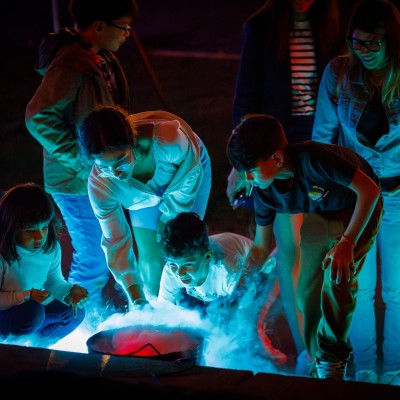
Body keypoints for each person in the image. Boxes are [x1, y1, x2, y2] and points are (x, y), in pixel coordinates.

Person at [226, 0, 346, 364]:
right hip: (276, 142)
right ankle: (304, 348)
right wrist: (243, 163)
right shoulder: (261, 26)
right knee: (289, 248)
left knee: (319, 245)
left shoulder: (332, 21)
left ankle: (329, 343)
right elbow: (246, 94)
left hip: (323, 141)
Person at [226, 113, 383, 380]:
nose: (248, 179)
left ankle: (332, 363)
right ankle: (315, 360)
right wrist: (240, 285)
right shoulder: (264, 191)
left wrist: (347, 243)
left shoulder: (314, 160)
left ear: (276, 158)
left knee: (337, 276)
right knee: (306, 294)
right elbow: (262, 247)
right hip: (322, 214)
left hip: (358, 207)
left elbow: (369, 191)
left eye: (251, 170)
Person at [25, 0, 138, 309]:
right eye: (123, 27)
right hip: (74, 182)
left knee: (101, 252)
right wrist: (80, 159)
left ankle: (85, 317)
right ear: (99, 26)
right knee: (92, 258)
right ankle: (71, 322)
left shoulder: (101, 59)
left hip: (94, 175)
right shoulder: (70, 63)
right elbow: (38, 116)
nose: (128, 34)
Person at [312, 0, 400, 385]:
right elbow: (323, 138)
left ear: (391, 41)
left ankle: (395, 369)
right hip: (355, 199)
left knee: (397, 291)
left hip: (398, 195)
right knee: (356, 289)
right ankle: (364, 368)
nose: (361, 51)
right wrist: (321, 196)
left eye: (371, 43)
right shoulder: (339, 73)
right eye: (355, 43)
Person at [77, 105, 212, 309]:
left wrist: (169, 218)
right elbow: (116, 242)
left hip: (187, 179)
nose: (115, 173)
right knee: (151, 263)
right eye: (105, 168)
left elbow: (189, 177)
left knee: (182, 251)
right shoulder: (100, 185)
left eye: (121, 162)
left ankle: (194, 310)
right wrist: (136, 296)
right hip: (141, 198)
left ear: (131, 143)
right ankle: (153, 315)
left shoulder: (169, 141)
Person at [158, 211, 286, 364]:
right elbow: (163, 312)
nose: (179, 273)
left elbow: (239, 306)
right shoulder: (171, 272)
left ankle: (278, 364)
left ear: (207, 257)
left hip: (262, 274)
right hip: (216, 288)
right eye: (173, 264)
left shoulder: (227, 270)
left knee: (247, 325)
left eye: (188, 264)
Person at [0, 183, 88, 347]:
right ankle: (10, 350)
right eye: (29, 230)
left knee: (74, 312)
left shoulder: (50, 246)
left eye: (45, 227)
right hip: (7, 316)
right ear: (10, 227)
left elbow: (53, 283)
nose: (39, 236)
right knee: (33, 312)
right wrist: (27, 295)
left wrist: (69, 292)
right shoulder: (3, 253)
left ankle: (36, 349)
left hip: (33, 313)